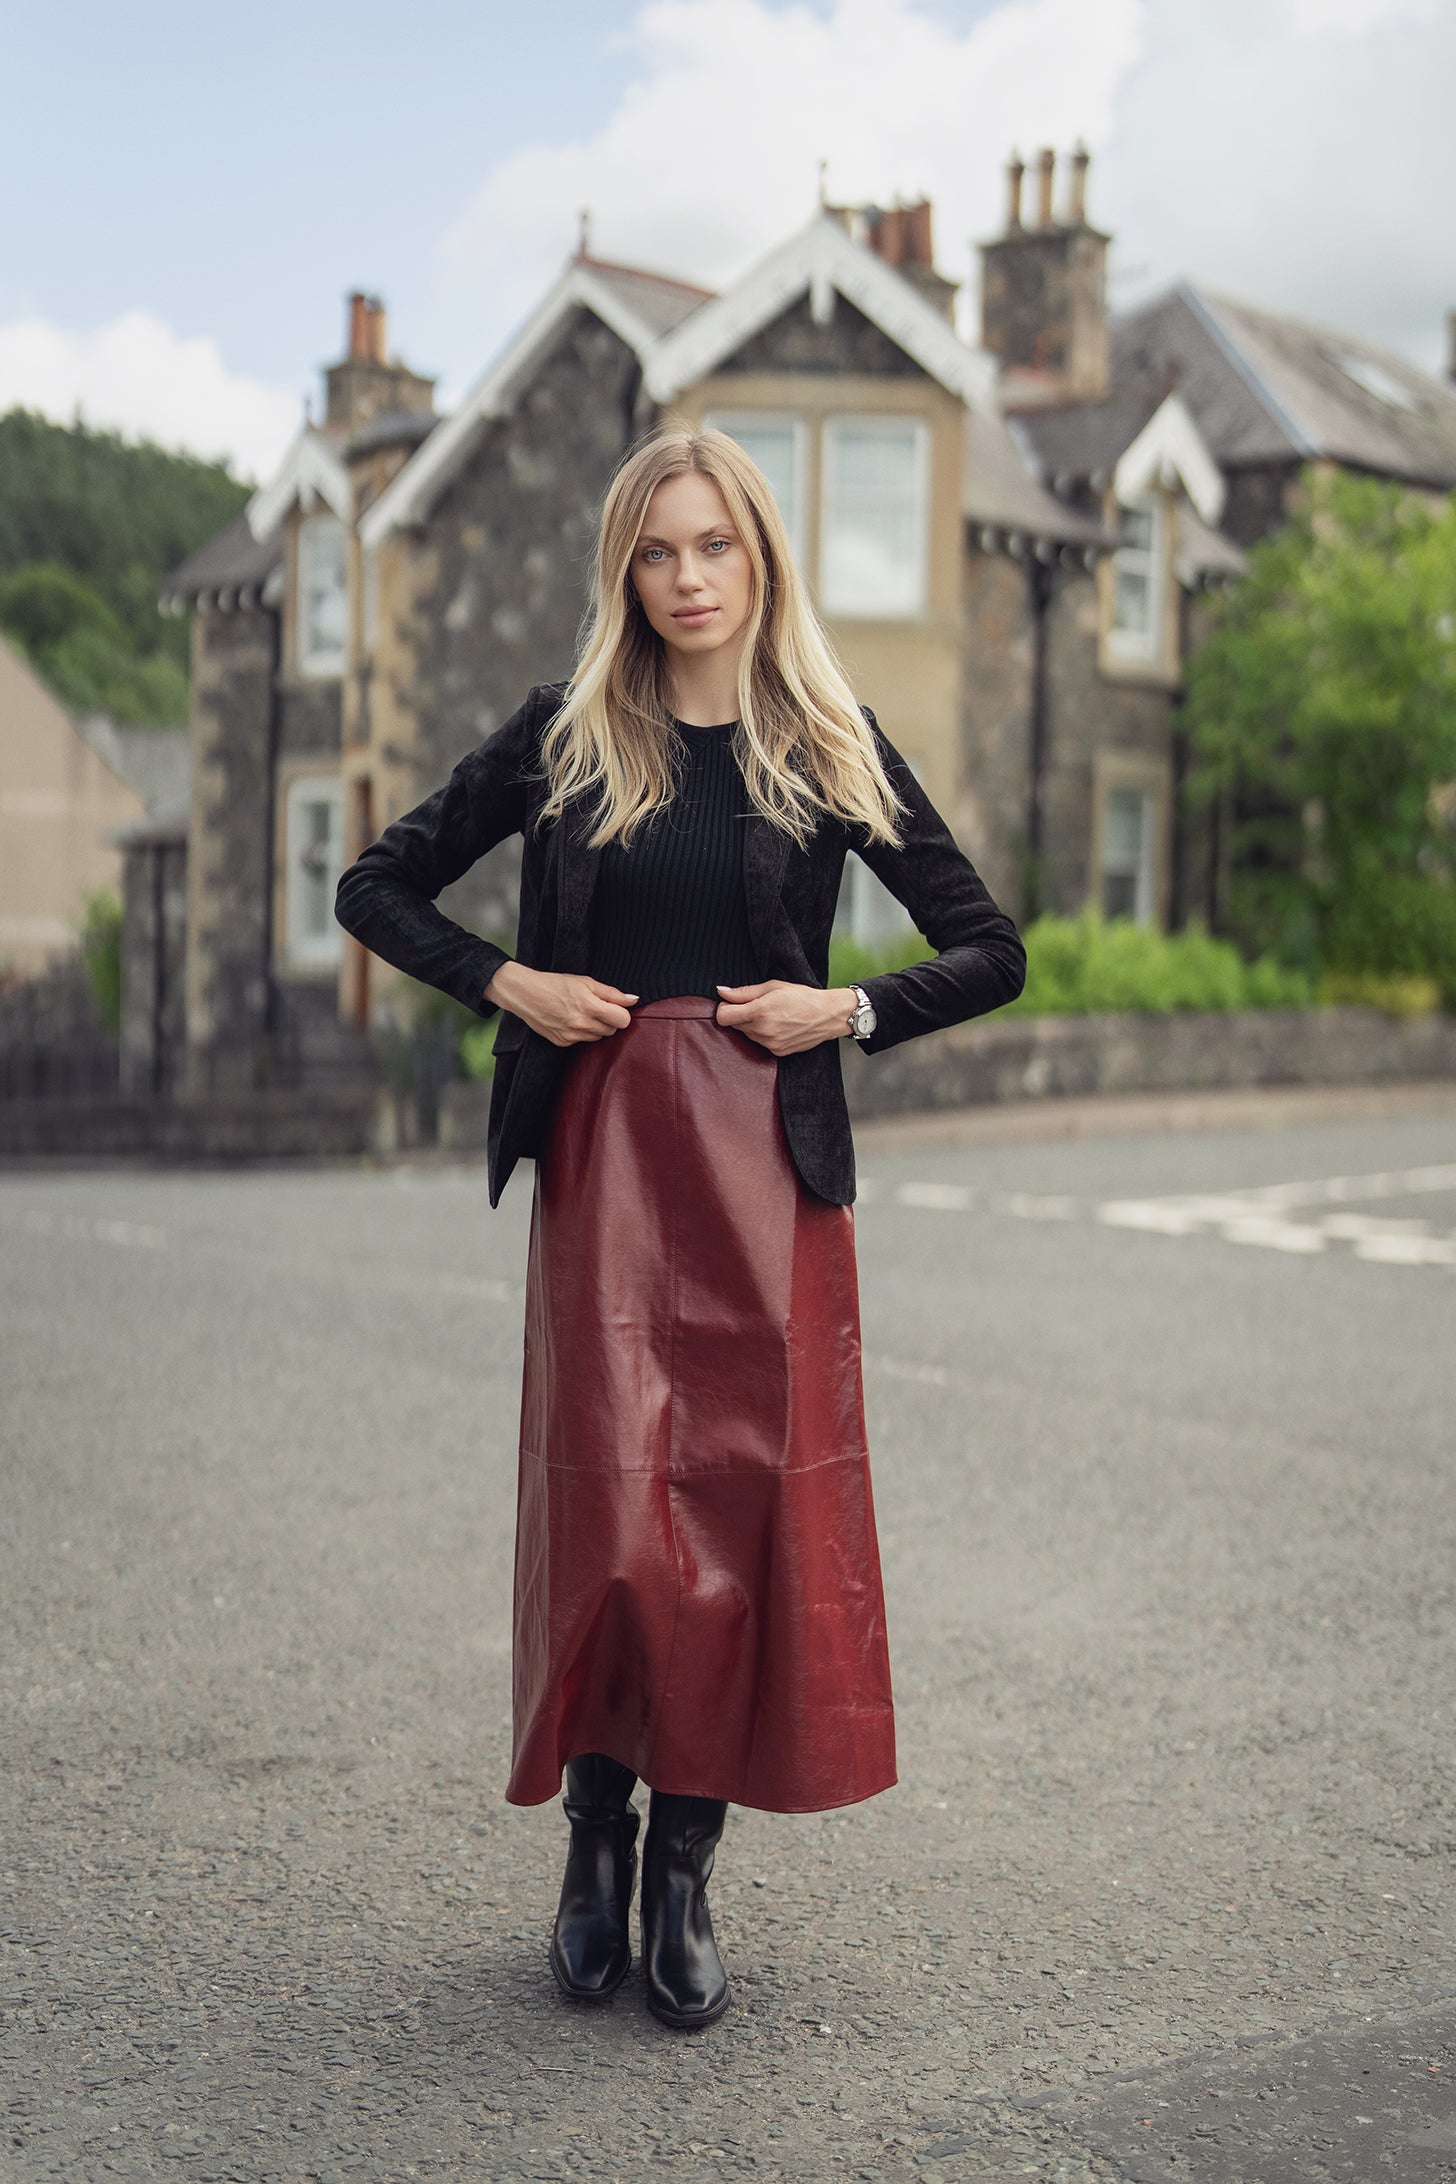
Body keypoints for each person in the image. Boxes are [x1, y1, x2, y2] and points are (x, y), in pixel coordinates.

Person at [334, 423, 1025, 2032]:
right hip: (605, 1167)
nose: (690, 577)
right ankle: (593, 1845)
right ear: (624, 572)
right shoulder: (569, 736)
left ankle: (686, 1869)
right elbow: (379, 884)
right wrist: (507, 981)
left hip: (763, 1178)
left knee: (733, 1514)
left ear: (760, 555)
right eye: (659, 552)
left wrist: (841, 1005)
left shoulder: (826, 742)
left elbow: (988, 949)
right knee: (614, 1518)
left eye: (715, 545)